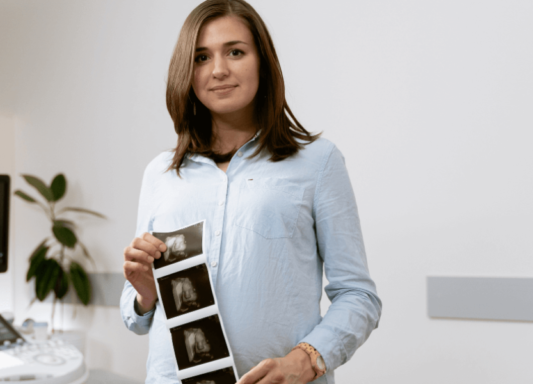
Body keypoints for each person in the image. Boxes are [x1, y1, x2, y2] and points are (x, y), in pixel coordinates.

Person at [121, 1, 382, 383]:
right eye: (201, 57)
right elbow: (137, 316)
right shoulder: (160, 173)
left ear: (262, 61)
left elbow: (359, 297)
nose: (219, 70)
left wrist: (306, 359)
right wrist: (145, 292)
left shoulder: (318, 162)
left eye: (236, 52)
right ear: (187, 72)